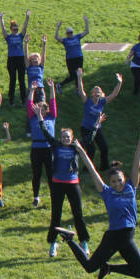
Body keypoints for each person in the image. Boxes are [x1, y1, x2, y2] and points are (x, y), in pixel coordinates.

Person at [54, 125, 140, 279]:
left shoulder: (131, 188)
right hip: (115, 236)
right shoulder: (107, 193)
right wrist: (80, 150)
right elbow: (91, 169)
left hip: (128, 237)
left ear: (124, 179)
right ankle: (69, 238)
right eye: (113, 182)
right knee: (90, 267)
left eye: (119, 180)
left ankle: (109, 268)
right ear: (109, 183)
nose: (117, 184)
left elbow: (137, 163)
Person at [36, 107, 89, 258]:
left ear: (72, 138)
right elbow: (45, 132)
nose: (66, 139)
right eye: (64, 136)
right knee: (56, 215)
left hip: (73, 184)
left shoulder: (75, 148)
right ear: (60, 138)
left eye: (68, 137)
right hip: (57, 184)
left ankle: (83, 241)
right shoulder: (56, 145)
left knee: (78, 214)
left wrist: (96, 125)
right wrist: (40, 116)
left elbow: (90, 139)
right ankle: (53, 243)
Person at [75, 68, 123, 170]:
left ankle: (104, 167)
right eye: (95, 92)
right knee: (91, 150)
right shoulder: (87, 101)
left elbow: (114, 94)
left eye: (99, 92)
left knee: (104, 147)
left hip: (97, 129)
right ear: (92, 93)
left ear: (101, 94)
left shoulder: (102, 102)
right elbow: (81, 89)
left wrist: (119, 82)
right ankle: (87, 169)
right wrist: (79, 77)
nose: (97, 93)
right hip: (86, 129)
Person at [28, 78, 57, 207]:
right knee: (37, 173)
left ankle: (54, 196)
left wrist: (51, 88)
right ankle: (36, 196)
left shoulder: (51, 117)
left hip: (49, 148)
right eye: (37, 108)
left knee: (51, 174)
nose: (40, 110)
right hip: (36, 148)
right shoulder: (33, 118)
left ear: (46, 110)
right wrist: (32, 90)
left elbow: (53, 101)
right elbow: (29, 102)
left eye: (42, 108)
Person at [0, 10, 30, 106]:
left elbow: (25, 27)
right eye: (14, 29)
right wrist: (1, 18)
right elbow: (3, 29)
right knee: (12, 79)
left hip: (20, 59)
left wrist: (27, 16)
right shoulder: (8, 37)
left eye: (17, 29)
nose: (15, 31)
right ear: (11, 29)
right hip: (11, 59)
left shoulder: (20, 36)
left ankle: (23, 99)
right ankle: (11, 100)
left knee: (21, 80)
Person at [55, 15, 89, 91]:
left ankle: (78, 89)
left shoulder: (77, 37)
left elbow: (86, 32)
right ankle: (60, 85)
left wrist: (86, 21)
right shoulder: (65, 40)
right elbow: (56, 37)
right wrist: (58, 27)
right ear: (66, 34)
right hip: (70, 59)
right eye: (68, 33)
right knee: (72, 76)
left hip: (79, 57)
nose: (70, 34)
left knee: (79, 74)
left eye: (71, 32)